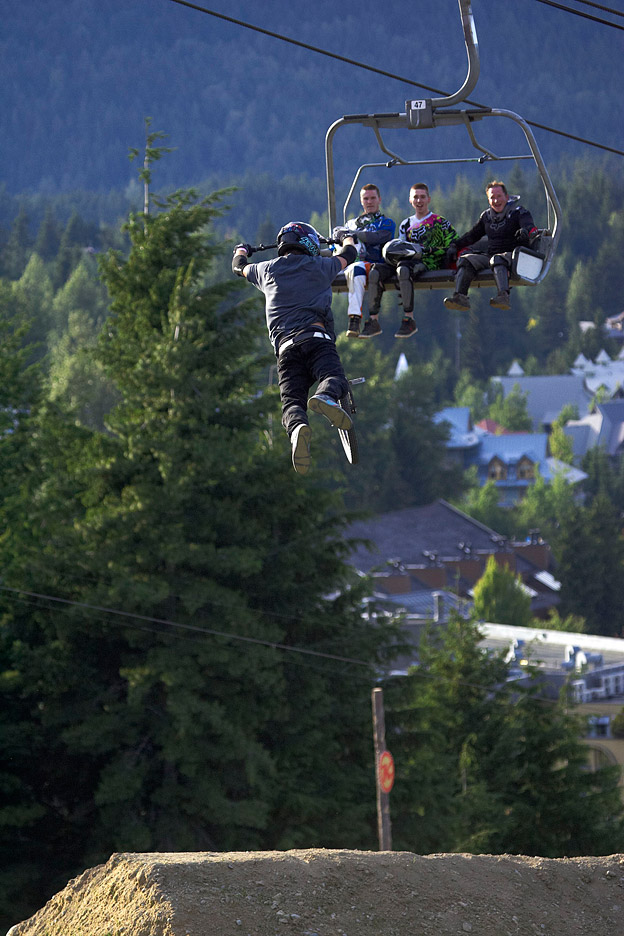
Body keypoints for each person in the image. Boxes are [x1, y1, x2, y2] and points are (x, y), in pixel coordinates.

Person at [232, 222, 358, 475]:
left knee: (291, 402)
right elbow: (349, 255)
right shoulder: (320, 266)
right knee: (333, 377)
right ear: (308, 242)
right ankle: (326, 396)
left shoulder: (265, 270)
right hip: (317, 338)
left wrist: (242, 250)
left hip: (285, 350)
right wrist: (346, 237)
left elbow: (238, 267)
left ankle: (297, 428)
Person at [366, 183, 458, 338]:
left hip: (427, 262)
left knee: (403, 269)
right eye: (415, 197)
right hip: (404, 260)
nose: (419, 200)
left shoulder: (440, 222)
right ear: (410, 200)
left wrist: (428, 251)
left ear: (428, 199)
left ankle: (409, 319)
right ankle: (373, 320)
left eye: (422, 197)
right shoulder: (405, 224)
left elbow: (454, 245)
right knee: (375, 272)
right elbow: (401, 247)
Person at [443, 180, 538, 312]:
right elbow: (472, 235)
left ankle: (503, 296)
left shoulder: (519, 213)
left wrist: (526, 232)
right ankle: (461, 297)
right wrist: (455, 245)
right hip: (491, 256)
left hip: (513, 256)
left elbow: (529, 226)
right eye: (492, 197)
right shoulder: (486, 217)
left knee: (497, 259)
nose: (496, 200)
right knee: (466, 260)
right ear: (488, 200)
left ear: (506, 196)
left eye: (499, 196)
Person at [331, 183, 395, 338]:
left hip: (375, 265)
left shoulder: (386, 223)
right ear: (361, 201)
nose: (369, 202)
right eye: (366, 199)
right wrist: (341, 233)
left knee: (357, 268)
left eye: (373, 198)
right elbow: (336, 238)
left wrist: (351, 234)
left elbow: (377, 237)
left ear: (379, 199)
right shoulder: (351, 223)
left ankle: (354, 319)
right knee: (351, 269)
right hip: (351, 265)